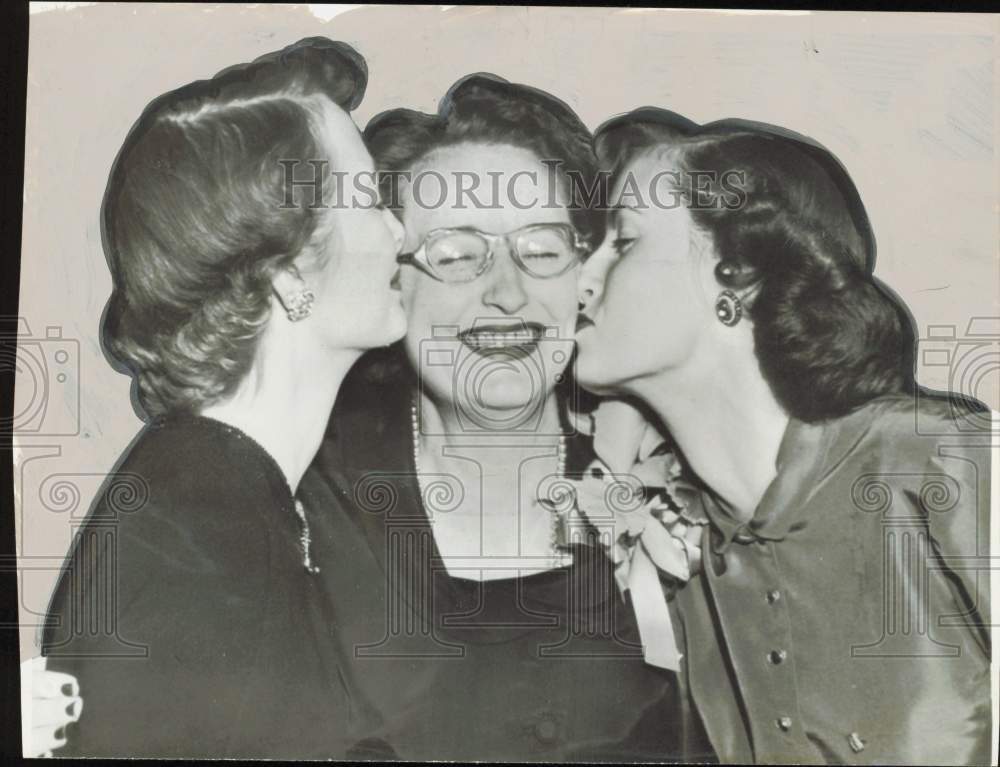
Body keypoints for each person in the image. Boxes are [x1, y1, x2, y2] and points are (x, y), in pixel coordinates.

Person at [293, 76, 713, 761]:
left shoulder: (682, 490)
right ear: (389, 278)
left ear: (586, 271)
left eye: (541, 249)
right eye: (456, 255)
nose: (507, 294)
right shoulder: (306, 489)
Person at [573, 108, 993, 764]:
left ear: (736, 274)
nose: (580, 279)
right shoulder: (682, 566)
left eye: (623, 242)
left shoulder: (946, 460)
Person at [39, 38, 407, 758]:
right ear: (288, 273)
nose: (400, 231)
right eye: (368, 200)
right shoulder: (197, 534)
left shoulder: (226, 497)